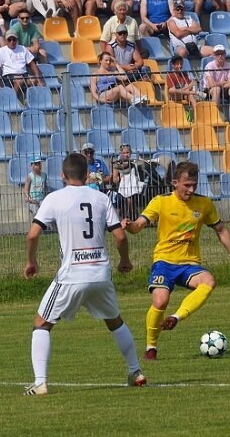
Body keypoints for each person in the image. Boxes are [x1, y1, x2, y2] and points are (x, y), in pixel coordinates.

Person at [23, 153, 145, 396]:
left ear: (62, 176)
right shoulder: (100, 198)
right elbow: (120, 236)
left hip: (72, 274)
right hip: (100, 273)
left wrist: (31, 262)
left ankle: (40, 383)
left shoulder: (54, 198)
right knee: (115, 322)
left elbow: (33, 234)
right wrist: (125, 261)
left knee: (41, 324)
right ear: (87, 174)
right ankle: (136, 371)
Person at [123, 161, 230, 360]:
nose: (191, 189)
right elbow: (138, 226)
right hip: (164, 262)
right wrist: (129, 225)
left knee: (209, 281)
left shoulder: (204, 204)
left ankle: (175, 317)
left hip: (189, 265)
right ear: (174, 182)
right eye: (186, 185)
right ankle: (151, 347)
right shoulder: (161, 202)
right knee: (161, 301)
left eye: (194, 185)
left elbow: (221, 230)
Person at [0, 30, 43, 98]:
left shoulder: (23, 48)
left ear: (17, 40)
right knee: (19, 80)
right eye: (9, 40)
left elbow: (33, 65)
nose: (12, 42)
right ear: (6, 40)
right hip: (8, 76)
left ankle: (30, 100)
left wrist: (39, 80)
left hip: (23, 75)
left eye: (14, 39)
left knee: (34, 80)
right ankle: (13, 99)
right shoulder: (1, 51)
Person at [111, 144, 146, 220]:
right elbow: (114, 179)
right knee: (119, 200)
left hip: (134, 188)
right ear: (121, 154)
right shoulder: (118, 164)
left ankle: (130, 217)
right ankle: (116, 220)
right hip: (122, 188)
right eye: (124, 153)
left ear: (130, 153)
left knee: (131, 199)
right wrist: (119, 178)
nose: (126, 154)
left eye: (127, 152)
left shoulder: (134, 162)